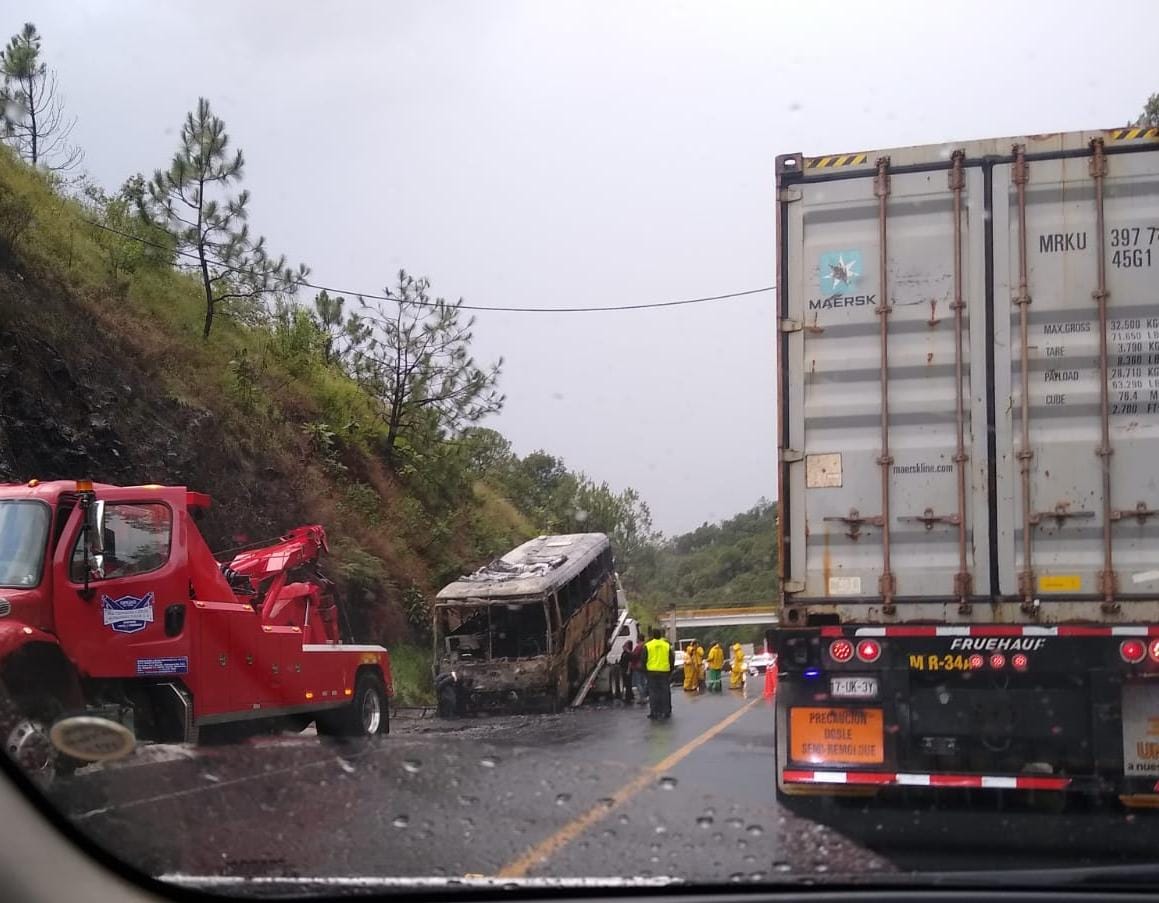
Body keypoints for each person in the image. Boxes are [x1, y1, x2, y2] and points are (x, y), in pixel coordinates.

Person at [644, 629, 673, 719]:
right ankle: (666, 711)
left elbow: (643, 659)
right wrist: (670, 670)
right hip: (664, 672)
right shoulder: (666, 645)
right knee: (665, 692)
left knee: (653, 692)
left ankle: (654, 712)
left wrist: (645, 671)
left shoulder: (648, 646)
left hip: (651, 672)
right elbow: (671, 659)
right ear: (660, 635)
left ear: (652, 635)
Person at [628, 637, 648, 704]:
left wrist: (628, 651)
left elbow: (634, 655)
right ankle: (644, 697)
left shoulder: (638, 647)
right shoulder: (645, 646)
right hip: (643, 666)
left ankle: (642, 698)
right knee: (643, 682)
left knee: (638, 683)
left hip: (637, 666)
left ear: (639, 639)